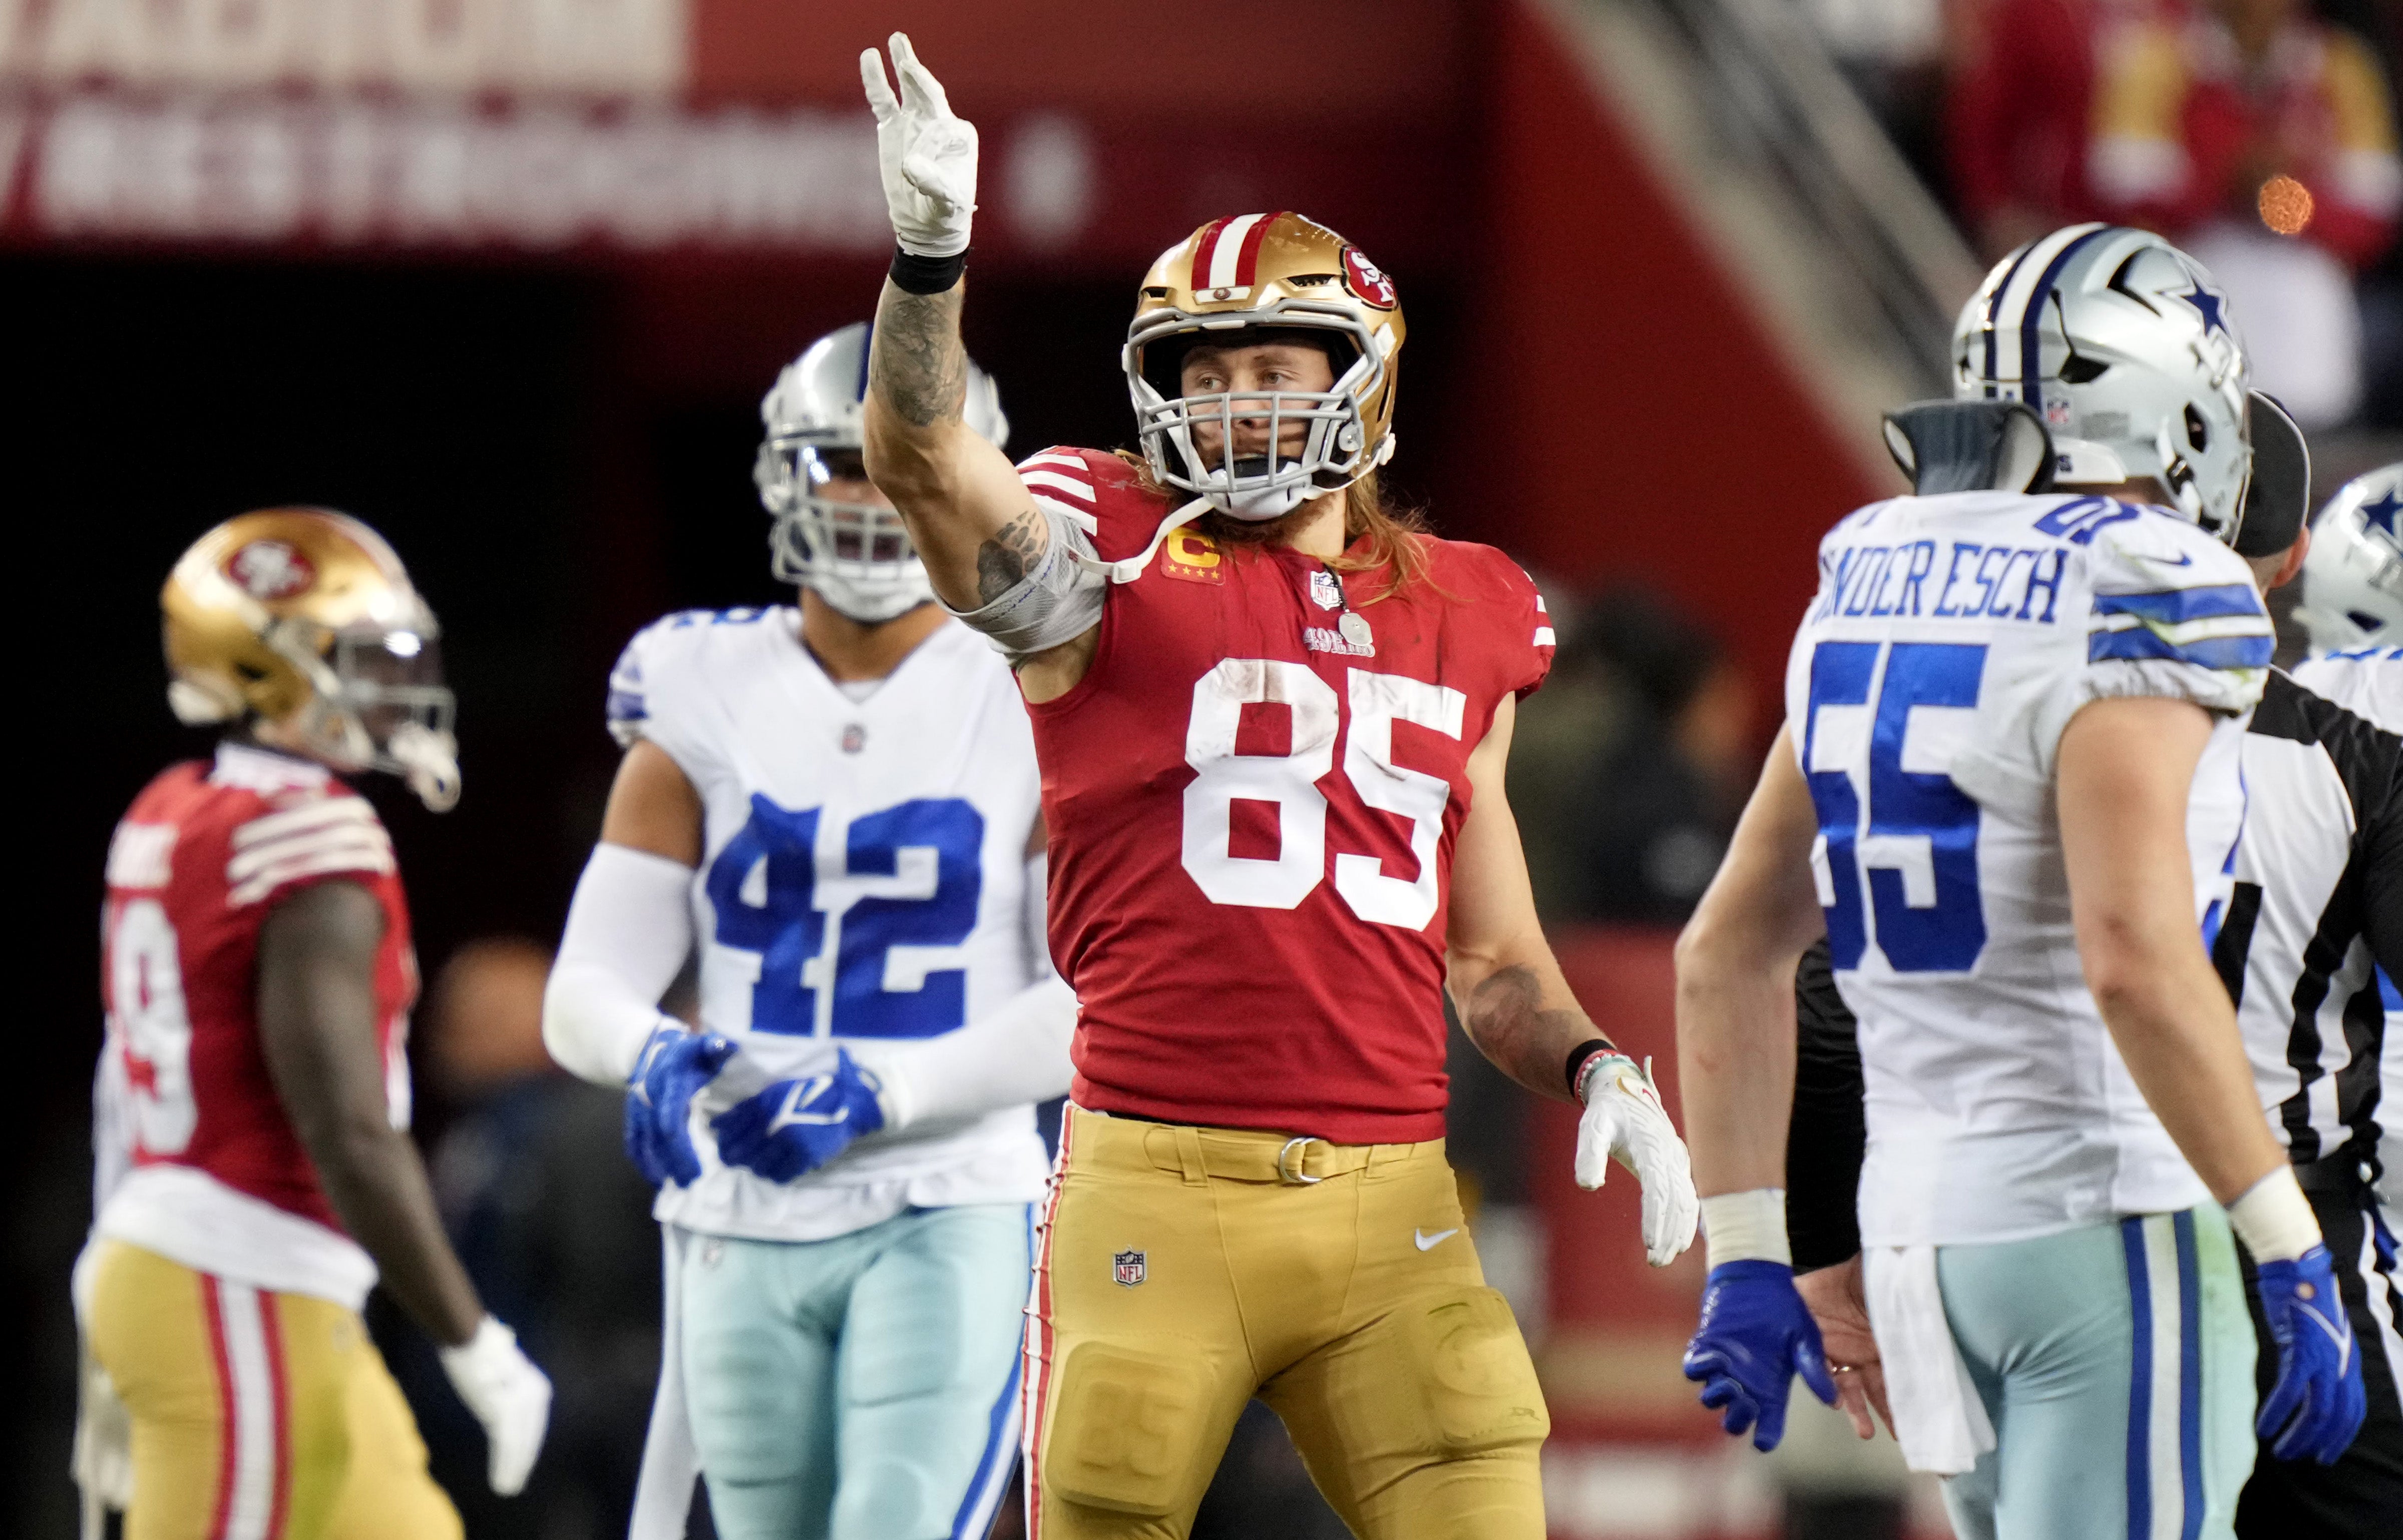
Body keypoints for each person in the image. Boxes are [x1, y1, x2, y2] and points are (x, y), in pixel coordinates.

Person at [852, 34, 1699, 1540]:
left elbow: (1492, 959)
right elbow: (920, 456)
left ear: (1360, 380)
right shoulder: (1103, 558)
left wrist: (1598, 1067)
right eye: (1208, 371)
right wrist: (930, 263)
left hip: (1395, 1212)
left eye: (1271, 367)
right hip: (1154, 1195)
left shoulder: (1469, 608)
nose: (1236, 403)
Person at [1673, 223, 2366, 1539]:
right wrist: (2286, 1238)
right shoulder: (2151, 578)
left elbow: (1728, 947)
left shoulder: (1867, 574)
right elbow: (2133, 954)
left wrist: (1751, 1249)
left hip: (1923, 1242)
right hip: (2105, 1213)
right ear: (2174, 406)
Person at [540, 320, 1077, 1540]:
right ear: (785, 471)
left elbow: (1091, 998)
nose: (876, 493)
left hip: (947, 1194)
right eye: (845, 461)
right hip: (743, 1201)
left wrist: (888, 1088)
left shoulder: (1034, 688)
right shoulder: (699, 681)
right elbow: (586, 984)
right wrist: (653, 1052)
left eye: (904, 464)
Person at [79, 509, 551, 1540]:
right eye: (362, 655)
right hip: (234, 1276)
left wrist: (105, 1259)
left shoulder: (171, 807)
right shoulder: (311, 834)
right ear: (267, 669)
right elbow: (349, 1130)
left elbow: (125, 1078)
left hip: (223, 1275)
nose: (395, 680)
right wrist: (475, 1339)